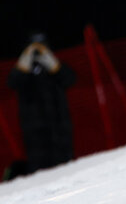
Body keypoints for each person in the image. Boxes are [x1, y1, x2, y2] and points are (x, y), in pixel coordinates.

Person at [6, 32, 76, 173]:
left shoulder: (53, 67)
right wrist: (26, 58)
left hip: (59, 125)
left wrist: (51, 61)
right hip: (34, 130)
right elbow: (12, 82)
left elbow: (69, 79)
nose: (38, 51)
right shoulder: (24, 70)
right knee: (40, 169)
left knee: (65, 165)